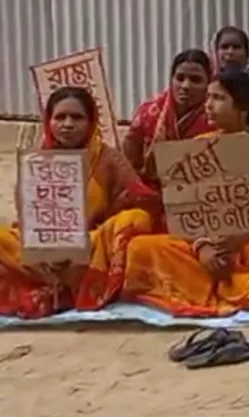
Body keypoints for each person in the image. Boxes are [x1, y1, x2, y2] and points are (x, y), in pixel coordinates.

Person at [122, 68, 249, 315]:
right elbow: (187, 210)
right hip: (206, 241)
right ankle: (225, 278)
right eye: (207, 98)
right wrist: (203, 247)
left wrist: (243, 235)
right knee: (141, 247)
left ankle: (224, 279)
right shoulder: (198, 146)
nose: (208, 106)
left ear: (244, 106)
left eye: (218, 98)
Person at [0, 88, 157, 318]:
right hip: (43, 254)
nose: (68, 124)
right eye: (60, 117)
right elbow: (27, 216)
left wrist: (87, 241)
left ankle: (70, 286)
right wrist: (49, 248)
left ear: (91, 122)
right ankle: (55, 284)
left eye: (77, 117)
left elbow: (141, 201)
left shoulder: (107, 158)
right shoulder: (37, 161)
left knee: (135, 220)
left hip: (94, 247)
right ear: (48, 121)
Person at [123, 49, 215, 187]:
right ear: (171, 80)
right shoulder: (148, 113)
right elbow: (128, 162)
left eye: (195, 80)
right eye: (180, 78)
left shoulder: (216, 118)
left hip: (201, 197)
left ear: (208, 83)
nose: (185, 86)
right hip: (148, 194)